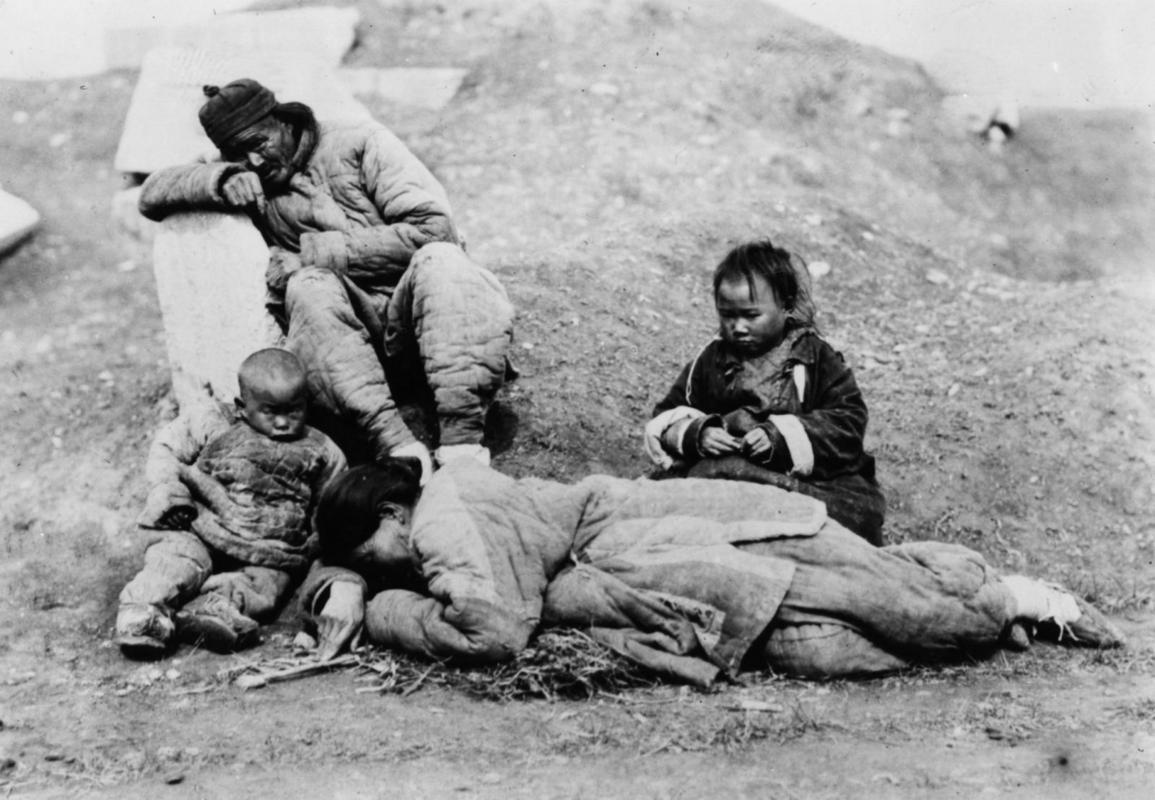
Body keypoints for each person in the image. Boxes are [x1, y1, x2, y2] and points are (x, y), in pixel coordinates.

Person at [300, 458, 1124, 685]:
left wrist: (379, 610)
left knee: (915, 614)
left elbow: (492, 633)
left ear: (387, 518)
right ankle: (967, 601)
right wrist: (351, 583)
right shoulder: (443, 500)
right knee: (824, 652)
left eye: (368, 555)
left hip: (673, 535)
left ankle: (1014, 596)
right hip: (650, 557)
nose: (382, 569)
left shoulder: (445, 519)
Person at [138, 78, 515, 480]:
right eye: (237, 153)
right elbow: (151, 193)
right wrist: (220, 178)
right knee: (307, 287)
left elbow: (433, 230)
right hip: (349, 355)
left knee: (442, 261)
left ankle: (462, 443)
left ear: (282, 120)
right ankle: (397, 445)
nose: (255, 161)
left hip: (425, 319)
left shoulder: (359, 141)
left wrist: (314, 254)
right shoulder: (250, 176)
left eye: (259, 143)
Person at [644, 239, 885, 544]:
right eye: (728, 315)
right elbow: (668, 414)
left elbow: (848, 422)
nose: (738, 327)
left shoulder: (815, 358)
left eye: (750, 315)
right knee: (667, 501)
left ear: (785, 306)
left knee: (845, 521)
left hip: (801, 481)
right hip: (725, 471)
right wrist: (698, 434)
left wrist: (782, 437)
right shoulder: (711, 360)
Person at [116, 349, 347, 658]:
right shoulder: (215, 422)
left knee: (267, 585)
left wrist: (314, 541)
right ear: (242, 407)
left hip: (268, 547)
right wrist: (169, 491)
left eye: (293, 411)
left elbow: (331, 500)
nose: (282, 422)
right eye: (270, 411)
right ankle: (144, 612)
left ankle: (214, 610)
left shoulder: (320, 449)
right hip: (204, 525)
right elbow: (167, 449)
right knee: (177, 559)